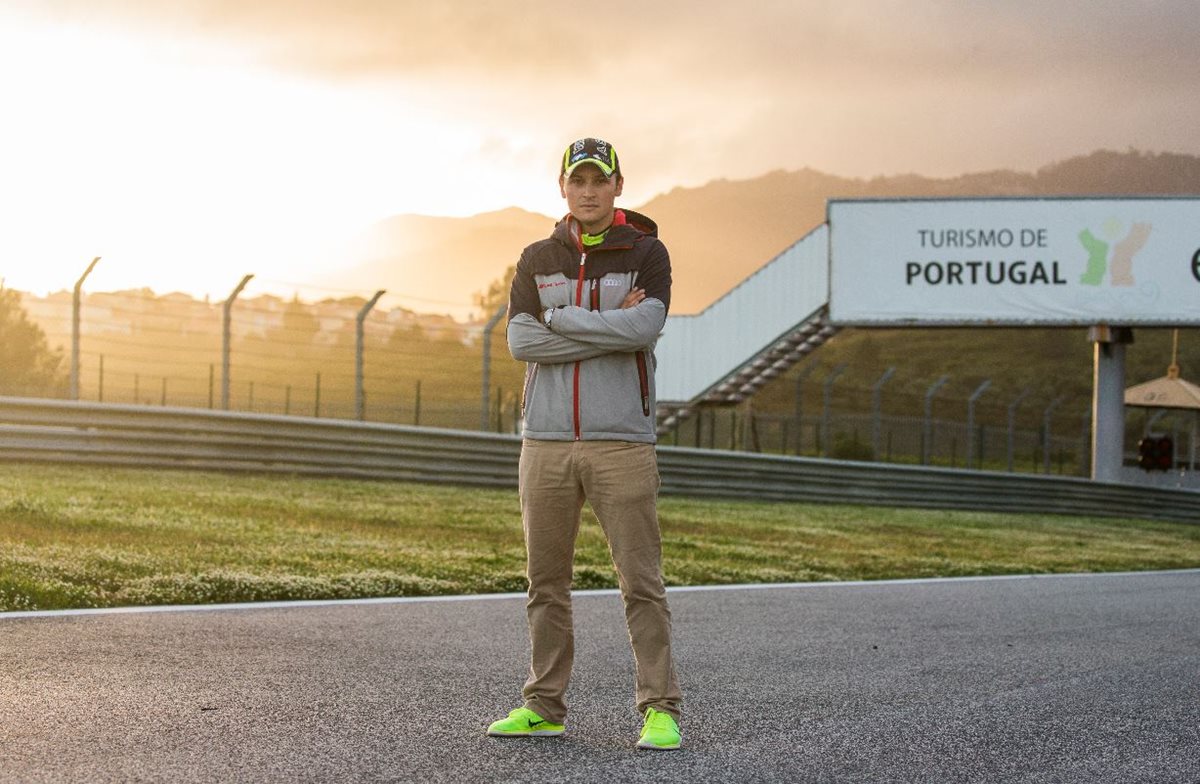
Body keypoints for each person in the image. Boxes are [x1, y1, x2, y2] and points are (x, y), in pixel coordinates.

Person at [486, 137, 682, 750]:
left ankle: (659, 708)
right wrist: (609, 330)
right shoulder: (537, 256)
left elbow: (646, 326)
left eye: (601, 180)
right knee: (545, 583)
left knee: (640, 582)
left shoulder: (648, 252)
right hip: (544, 441)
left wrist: (564, 319)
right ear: (563, 188)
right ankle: (544, 705)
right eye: (579, 180)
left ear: (618, 186)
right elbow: (520, 342)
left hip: (621, 441)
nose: (590, 190)